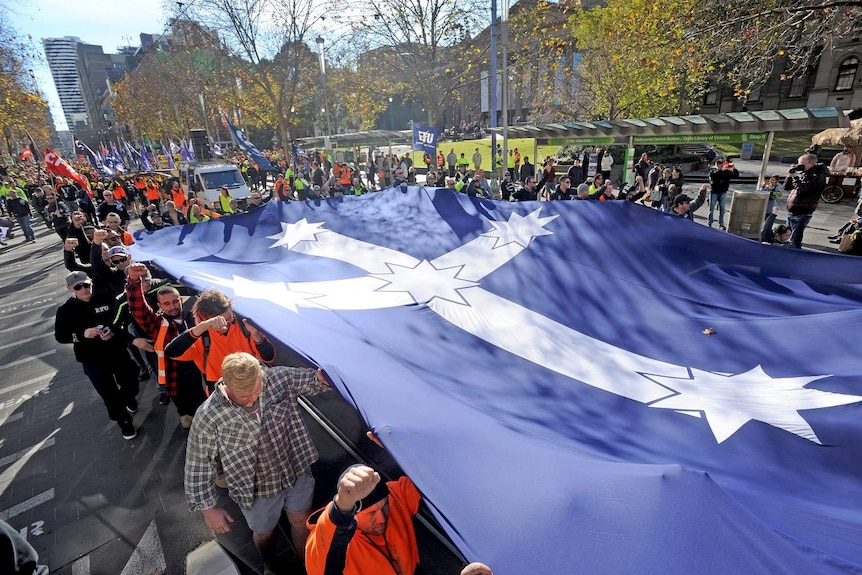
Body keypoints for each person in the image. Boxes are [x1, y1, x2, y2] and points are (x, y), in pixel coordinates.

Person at [185, 352, 331, 571]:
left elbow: (315, 381)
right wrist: (208, 509)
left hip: (295, 467)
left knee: (301, 521)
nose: (252, 400)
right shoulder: (208, 416)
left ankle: (306, 561)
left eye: (257, 391)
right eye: (244, 397)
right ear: (227, 384)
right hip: (255, 488)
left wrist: (325, 378)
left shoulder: (278, 378)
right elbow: (198, 463)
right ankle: (270, 563)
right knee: (264, 532)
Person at [54, 271, 140, 440]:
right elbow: (60, 336)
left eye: (86, 285)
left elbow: (123, 317)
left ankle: (128, 398)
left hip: (117, 351)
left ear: (91, 283)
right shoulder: (65, 310)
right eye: (78, 287)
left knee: (131, 380)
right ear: (70, 289)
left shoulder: (106, 297)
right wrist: (82, 334)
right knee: (109, 395)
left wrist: (113, 330)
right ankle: (124, 422)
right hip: (92, 359)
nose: (84, 289)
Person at [125, 263, 206, 428]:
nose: (173, 306)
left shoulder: (193, 317)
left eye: (175, 302)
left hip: (196, 369)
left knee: (200, 399)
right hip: (173, 372)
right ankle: (185, 418)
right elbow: (138, 308)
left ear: (181, 300)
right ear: (160, 306)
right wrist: (134, 281)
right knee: (182, 402)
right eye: (167, 304)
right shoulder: (157, 323)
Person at [306, 464, 421, 575]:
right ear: (353, 514)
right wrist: (341, 509)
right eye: (371, 513)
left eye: (385, 506)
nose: (381, 519)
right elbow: (321, 566)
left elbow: (427, 474)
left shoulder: (396, 496)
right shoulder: (332, 539)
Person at [165, 288, 276, 391]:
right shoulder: (200, 337)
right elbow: (171, 352)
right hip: (223, 391)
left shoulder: (243, 326)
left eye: (230, 317)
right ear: (205, 319)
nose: (228, 322)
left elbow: (269, 357)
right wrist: (202, 327)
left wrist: (256, 334)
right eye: (222, 320)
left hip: (253, 382)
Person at [784, 153, 829, 248]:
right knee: (786, 237)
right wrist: (790, 175)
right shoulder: (803, 173)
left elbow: (804, 190)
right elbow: (787, 187)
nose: (799, 166)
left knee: (794, 240)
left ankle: (794, 256)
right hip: (793, 210)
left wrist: (795, 178)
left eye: (801, 164)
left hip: (803, 210)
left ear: (811, 164)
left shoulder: (818, 175)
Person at [707, 158, 738, 229]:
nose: (719, 166)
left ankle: (721, 223)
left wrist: (733, 168)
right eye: (718, 164)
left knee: (722, 209)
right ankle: (710, 222)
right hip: (714, 192)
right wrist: (720, 170)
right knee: (711, 208)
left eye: (720, 164)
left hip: (723, 192)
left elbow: (736, 175)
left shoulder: (726, 172)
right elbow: (713, 177)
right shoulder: (712, 171)